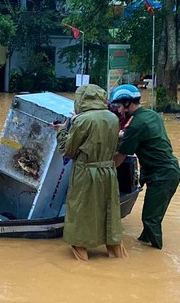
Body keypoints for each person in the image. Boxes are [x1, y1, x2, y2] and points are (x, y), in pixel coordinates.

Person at [53, 84, 128, 261]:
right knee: (108, 210)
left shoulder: (82, 121)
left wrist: (62, 131)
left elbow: (68, 151)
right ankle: (117, 254)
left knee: (80, 212)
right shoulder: (113, 118)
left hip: (86, 172)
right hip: (109, 171)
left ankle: (82, 259)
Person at [111, 84, 180, 250]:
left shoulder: (136, 125)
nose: (119, 111)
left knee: (150, 219)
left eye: (120, 106)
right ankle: (144, 243)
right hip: (168, 171)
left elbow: (120, 157)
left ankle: (156, 256)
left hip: (161, 175)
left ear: (128, 103)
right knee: (152, 216)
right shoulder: (151, 115)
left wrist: (102, 171)